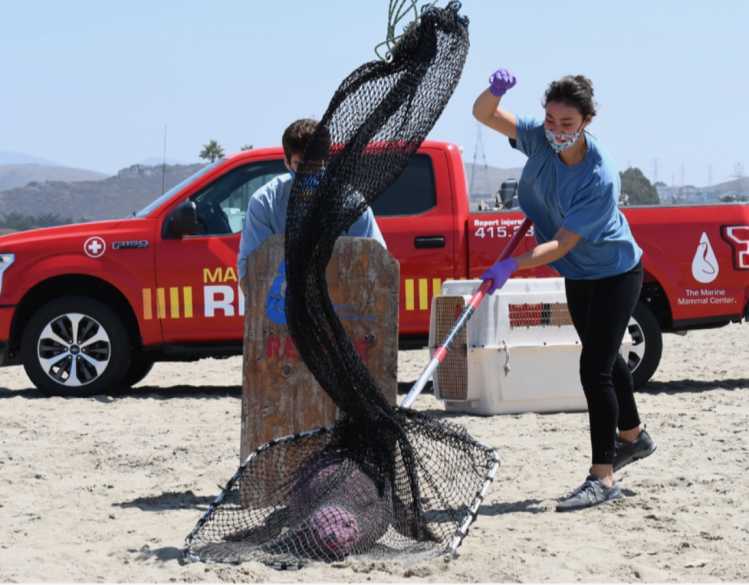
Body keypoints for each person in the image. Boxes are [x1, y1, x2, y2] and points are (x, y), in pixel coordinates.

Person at [472, 69, 657, 512]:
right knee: (606, 358)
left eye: (567, 124)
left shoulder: (599, 177)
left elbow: (562, 243)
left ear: (588, 121)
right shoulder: (539, 136)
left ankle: (603, 476)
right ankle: (633, 437)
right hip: (579, 274)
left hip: (615, 271)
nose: (555, 131)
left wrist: (511, 266)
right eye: (551, 120)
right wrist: (495, 92)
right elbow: (485, 115)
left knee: (592, 369)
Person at [237, 118, 386, 295]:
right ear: (286, 162)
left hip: (342, 307)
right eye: (300, 165)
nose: (309, 174)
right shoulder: (265, 203)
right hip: (281, 308)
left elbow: (377, 262)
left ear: (326, 161)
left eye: (315, 166)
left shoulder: (350, 202)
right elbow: (250, 269)